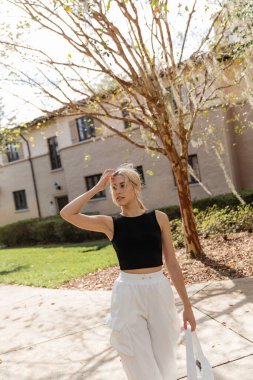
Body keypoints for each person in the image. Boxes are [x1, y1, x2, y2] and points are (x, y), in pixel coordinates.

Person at [60, 163, 196, 380]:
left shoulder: (159, 218)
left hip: (159, 290)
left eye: (123, 186)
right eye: (113, 188)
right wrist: (97, 188)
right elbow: (67, 213)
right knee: (138, 361)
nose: (118, 191)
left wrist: (187, 306)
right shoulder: (110, 224)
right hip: (128, 294)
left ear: (136, 187)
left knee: (166, 358)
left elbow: (172, 263)